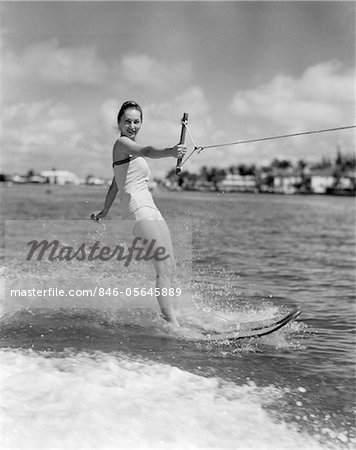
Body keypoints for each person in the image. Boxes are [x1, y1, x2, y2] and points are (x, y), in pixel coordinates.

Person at [91, 101, 186, 327]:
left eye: (136, 121)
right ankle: (172, 325)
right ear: (119, 123)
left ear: (141, 123)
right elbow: (147, 150)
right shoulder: (122, 143)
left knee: (170, 265)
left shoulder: (127, 153)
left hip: (151, 207)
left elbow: (115, 184)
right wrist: (171, 152)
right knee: (162, 266)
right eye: (128, 121)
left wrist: (104, 210)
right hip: (137, 208)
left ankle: (171, 317)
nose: (132, 126)